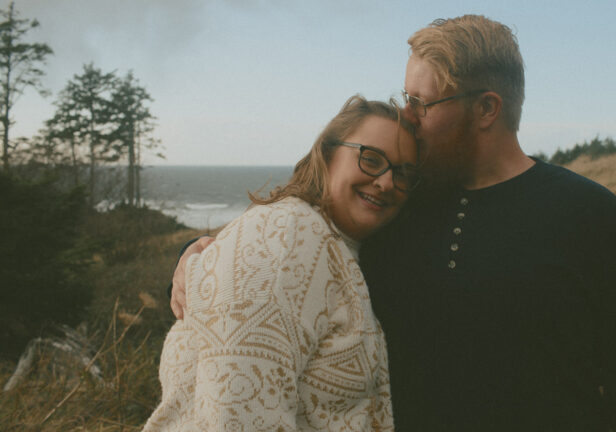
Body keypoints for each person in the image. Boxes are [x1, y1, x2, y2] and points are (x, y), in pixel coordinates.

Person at [171, 15, 616, 431]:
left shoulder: (590, 215)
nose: (408, 118)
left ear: (486, 108)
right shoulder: (399, 205)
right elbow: (296, 256)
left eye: (421, 103)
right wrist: (199, 256)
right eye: (405, 99)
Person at [144, 95, 419, 431]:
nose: (387, 181)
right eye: (371, 159)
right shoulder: (286, 237)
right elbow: (238, 415)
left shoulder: (338, 245)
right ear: (329, 153)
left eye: (403, 174)